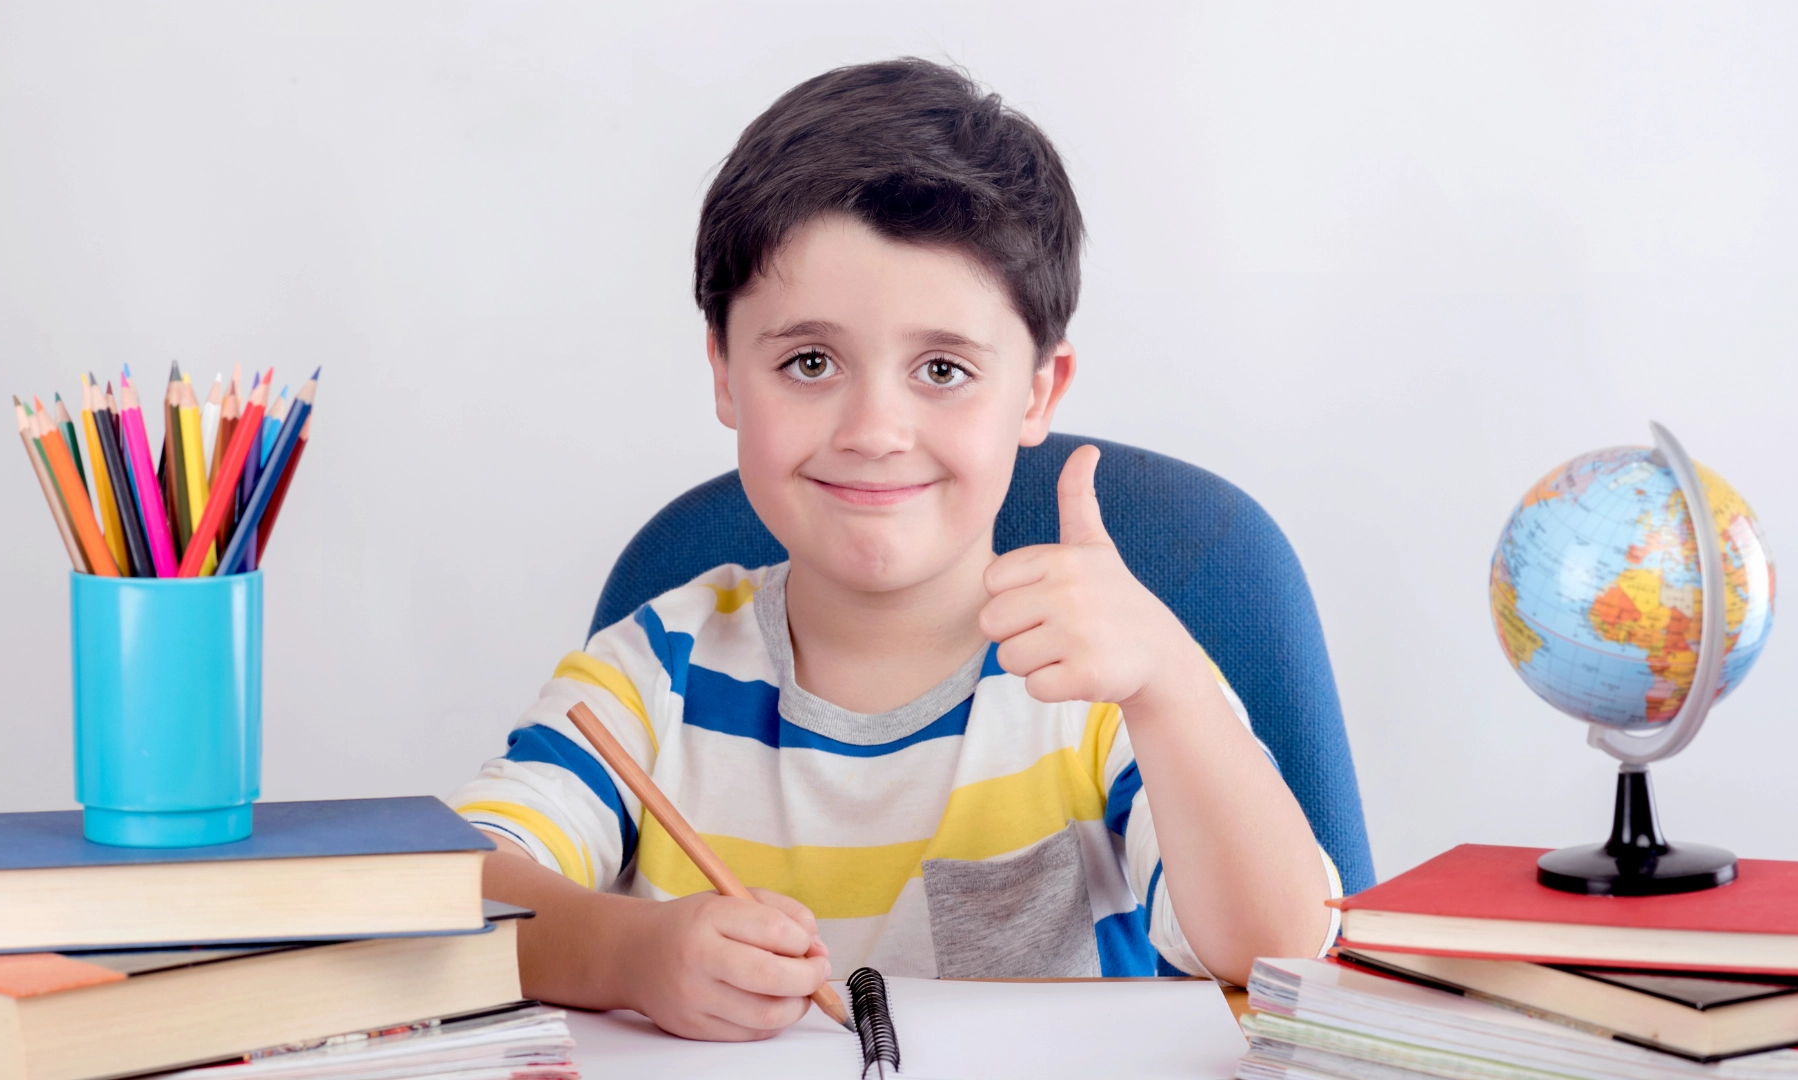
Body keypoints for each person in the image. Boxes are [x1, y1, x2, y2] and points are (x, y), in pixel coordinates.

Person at [449, 57, 1337, 1042]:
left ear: (1039, 392)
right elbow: (457, 889)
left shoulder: (1113, 684)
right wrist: (630, 954)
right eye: (810, 362)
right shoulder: (656, 669)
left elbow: (1280, 957)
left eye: (944, 368)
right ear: (726, 375)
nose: (875, 427)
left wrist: (1166, 682)